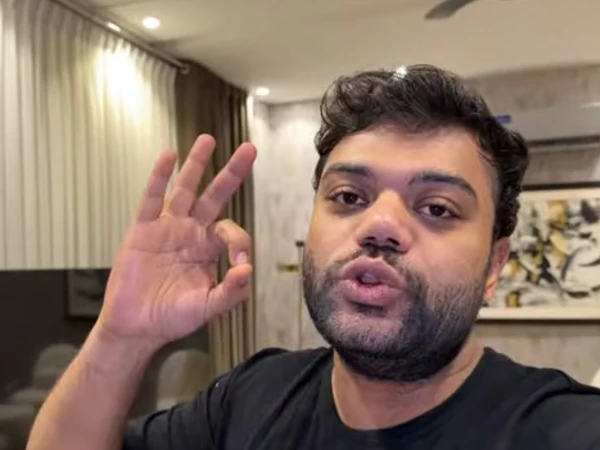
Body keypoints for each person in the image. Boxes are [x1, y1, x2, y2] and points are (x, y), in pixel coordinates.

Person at [26, 65, 600, 450]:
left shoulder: (566, 430)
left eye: (437, 208)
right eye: (349, 197)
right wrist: (121, 336)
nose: (380, 226)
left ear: (495, 265)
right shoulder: (251, 398)